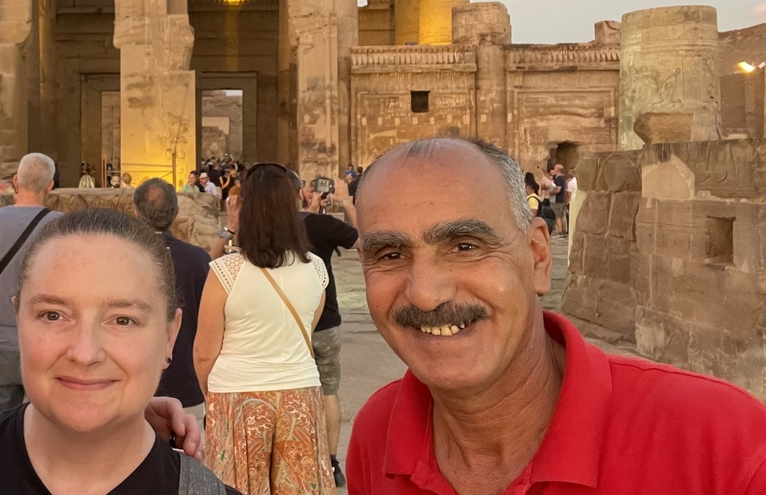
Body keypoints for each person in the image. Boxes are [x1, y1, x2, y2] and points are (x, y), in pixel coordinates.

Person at [346, 138, 766, 495]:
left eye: (466, 247)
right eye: (391, 255)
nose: (425, 294)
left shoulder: (724, 445)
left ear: (538, 257)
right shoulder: (378, 433)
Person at [0, 209, 235, 495]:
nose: (84, 353)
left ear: (169, 337)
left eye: (123, 320)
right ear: (18, 321)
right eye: (53, 315)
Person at [195, 163, 335, 495]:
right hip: (299, 390)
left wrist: (213, 398)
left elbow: (203, 353)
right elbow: (307, 327)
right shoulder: (316, 268)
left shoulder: (225, 271)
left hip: (237, 393)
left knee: (238, 486)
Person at [0, 153, 63, 412]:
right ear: (49, 186)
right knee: (49, 420)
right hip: (46, 341)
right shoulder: (62, 225)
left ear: (16, 181)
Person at [297, 173, 359, 488]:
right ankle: (331, 462)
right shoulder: (324, 226)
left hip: (289, 320)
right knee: (328, 390)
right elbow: (364, 242)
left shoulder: (277, 226)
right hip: (325, 319)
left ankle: (297, 456)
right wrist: (346, 202)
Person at [134, 179, 209, 419]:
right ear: (176, 212)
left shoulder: (120, 259)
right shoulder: (197, 260)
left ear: (135, 213)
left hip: (132, 389)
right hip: (186, 385)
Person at [551, 163, 568, 237]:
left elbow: (558, 190)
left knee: (558, 216)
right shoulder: (561, 177)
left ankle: (560, 232)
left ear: (557, 170)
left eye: (555, 168)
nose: (553, 169)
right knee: (562, 216)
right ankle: (564, 230)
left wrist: (550, 193)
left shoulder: (559, 179)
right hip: (562, 200)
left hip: (557, 200)